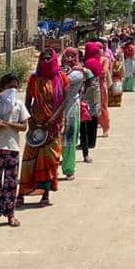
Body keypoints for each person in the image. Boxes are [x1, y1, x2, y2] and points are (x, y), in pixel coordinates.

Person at [20, 48, 67, 206]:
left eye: (49, 58)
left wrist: (52, 120)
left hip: (52, 127)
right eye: (43, 58)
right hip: (36, 126)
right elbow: (27, 101)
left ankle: (45, 194)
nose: (46, 61)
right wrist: (30, 120)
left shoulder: (61, 78)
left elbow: (64, 102)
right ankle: (22, 194)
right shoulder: (33, 79)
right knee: (29, 160)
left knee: (49, 161)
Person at [0, 73, 28, 229]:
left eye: (16, 87)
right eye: (10, 87)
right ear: (2, 88)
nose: (13, 90)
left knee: (10, 183)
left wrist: (8, 124)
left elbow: (24, 126)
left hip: (12, 147)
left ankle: (11, 215)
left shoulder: (19, 105)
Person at [58, 47, 88, 178]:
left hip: (70, 108)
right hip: (57, 109)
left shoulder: (78, 72)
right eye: (67, 56)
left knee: (69, 138)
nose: (69, 59)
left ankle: (69, 169)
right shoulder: (59, 70)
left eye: (72, 56)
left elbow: (62, 82)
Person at [80, 43, 104, 162]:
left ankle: (88, 141)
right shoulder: (97, 61)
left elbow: (85, 80)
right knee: (94, 117)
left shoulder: (88, 62)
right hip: (97, 91)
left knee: (87, 117)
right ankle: (92, 142)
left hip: (89, 92)